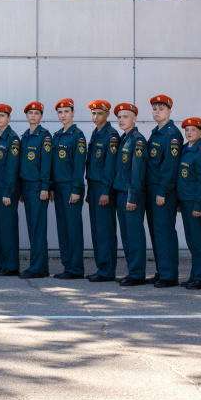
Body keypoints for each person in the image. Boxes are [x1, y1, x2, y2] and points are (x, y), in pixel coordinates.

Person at [145, 94, 183, 288]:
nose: (157, 112)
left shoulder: (172, 134)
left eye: (161, 109)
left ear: (169, 111)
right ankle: (162, 271)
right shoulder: (157, 132)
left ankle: (169, 275)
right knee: (156, 232)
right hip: (152, 189)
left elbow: (169, 166)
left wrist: (162, 191)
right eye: (154, 109)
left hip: (163, 190)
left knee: (165, 232)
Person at [51, 98, 87, 279]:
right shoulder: (56, 135)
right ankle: (67, 266)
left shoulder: (77, 136)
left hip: (71, 188)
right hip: (58, 188)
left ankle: (76, 268)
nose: (63, 115)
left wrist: (76, 189)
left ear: (73, 113)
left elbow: (79, 165)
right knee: (63, 228)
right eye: (60, 112)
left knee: (73, 229)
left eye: (66, 111)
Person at [112, 103, 148, 286]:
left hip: (130, 195)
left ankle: (137, 273)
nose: (121, 120)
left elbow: (137, 172)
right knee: (126, 234)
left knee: (134, 234)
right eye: (119, 117)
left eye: (125, 117)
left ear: (134, 119)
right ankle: (132, 270)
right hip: (120, 193)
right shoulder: (123, 138)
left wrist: (132, 197)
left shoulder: (137, 140)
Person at [85, 100, 120, 282]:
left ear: (107, 114)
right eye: (93, 113)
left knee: (105, 229)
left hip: (103, 188)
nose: (96, 116)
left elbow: (109, 166)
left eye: (99, 113)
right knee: (97, 229)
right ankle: (101, 267)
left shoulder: (111, 135)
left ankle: (107, 270)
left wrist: (105, 191)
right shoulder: (96, 133)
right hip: (94, 186)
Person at [177, 117, 201, 289]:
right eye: (187, 130)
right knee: (191, 240)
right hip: (185, 201)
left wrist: (199, 205)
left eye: (193, 130)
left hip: (194, 203)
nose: (189, 133)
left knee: (199, 240)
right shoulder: (185, 149)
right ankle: (195, 275)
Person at [18, 102, 52, 279]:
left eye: (36, 113)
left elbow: (46, 164)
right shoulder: (25, 136)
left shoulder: (44, 136)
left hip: (38, 187)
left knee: (38, 228)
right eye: (30, 112)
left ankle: (36, 267)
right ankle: (42, 266)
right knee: (33, 227)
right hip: (27, 187)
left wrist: (45, 186)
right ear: (26, 115)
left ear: (41, 116)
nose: (33, 116)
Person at [0, 104, 21, 276]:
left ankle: (11, 266)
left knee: (7, 228)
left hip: (6, 190)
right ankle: (1, 264)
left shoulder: (12, 139)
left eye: (2, 115)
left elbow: (12, 169)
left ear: (9, 118)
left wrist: (8, 192)